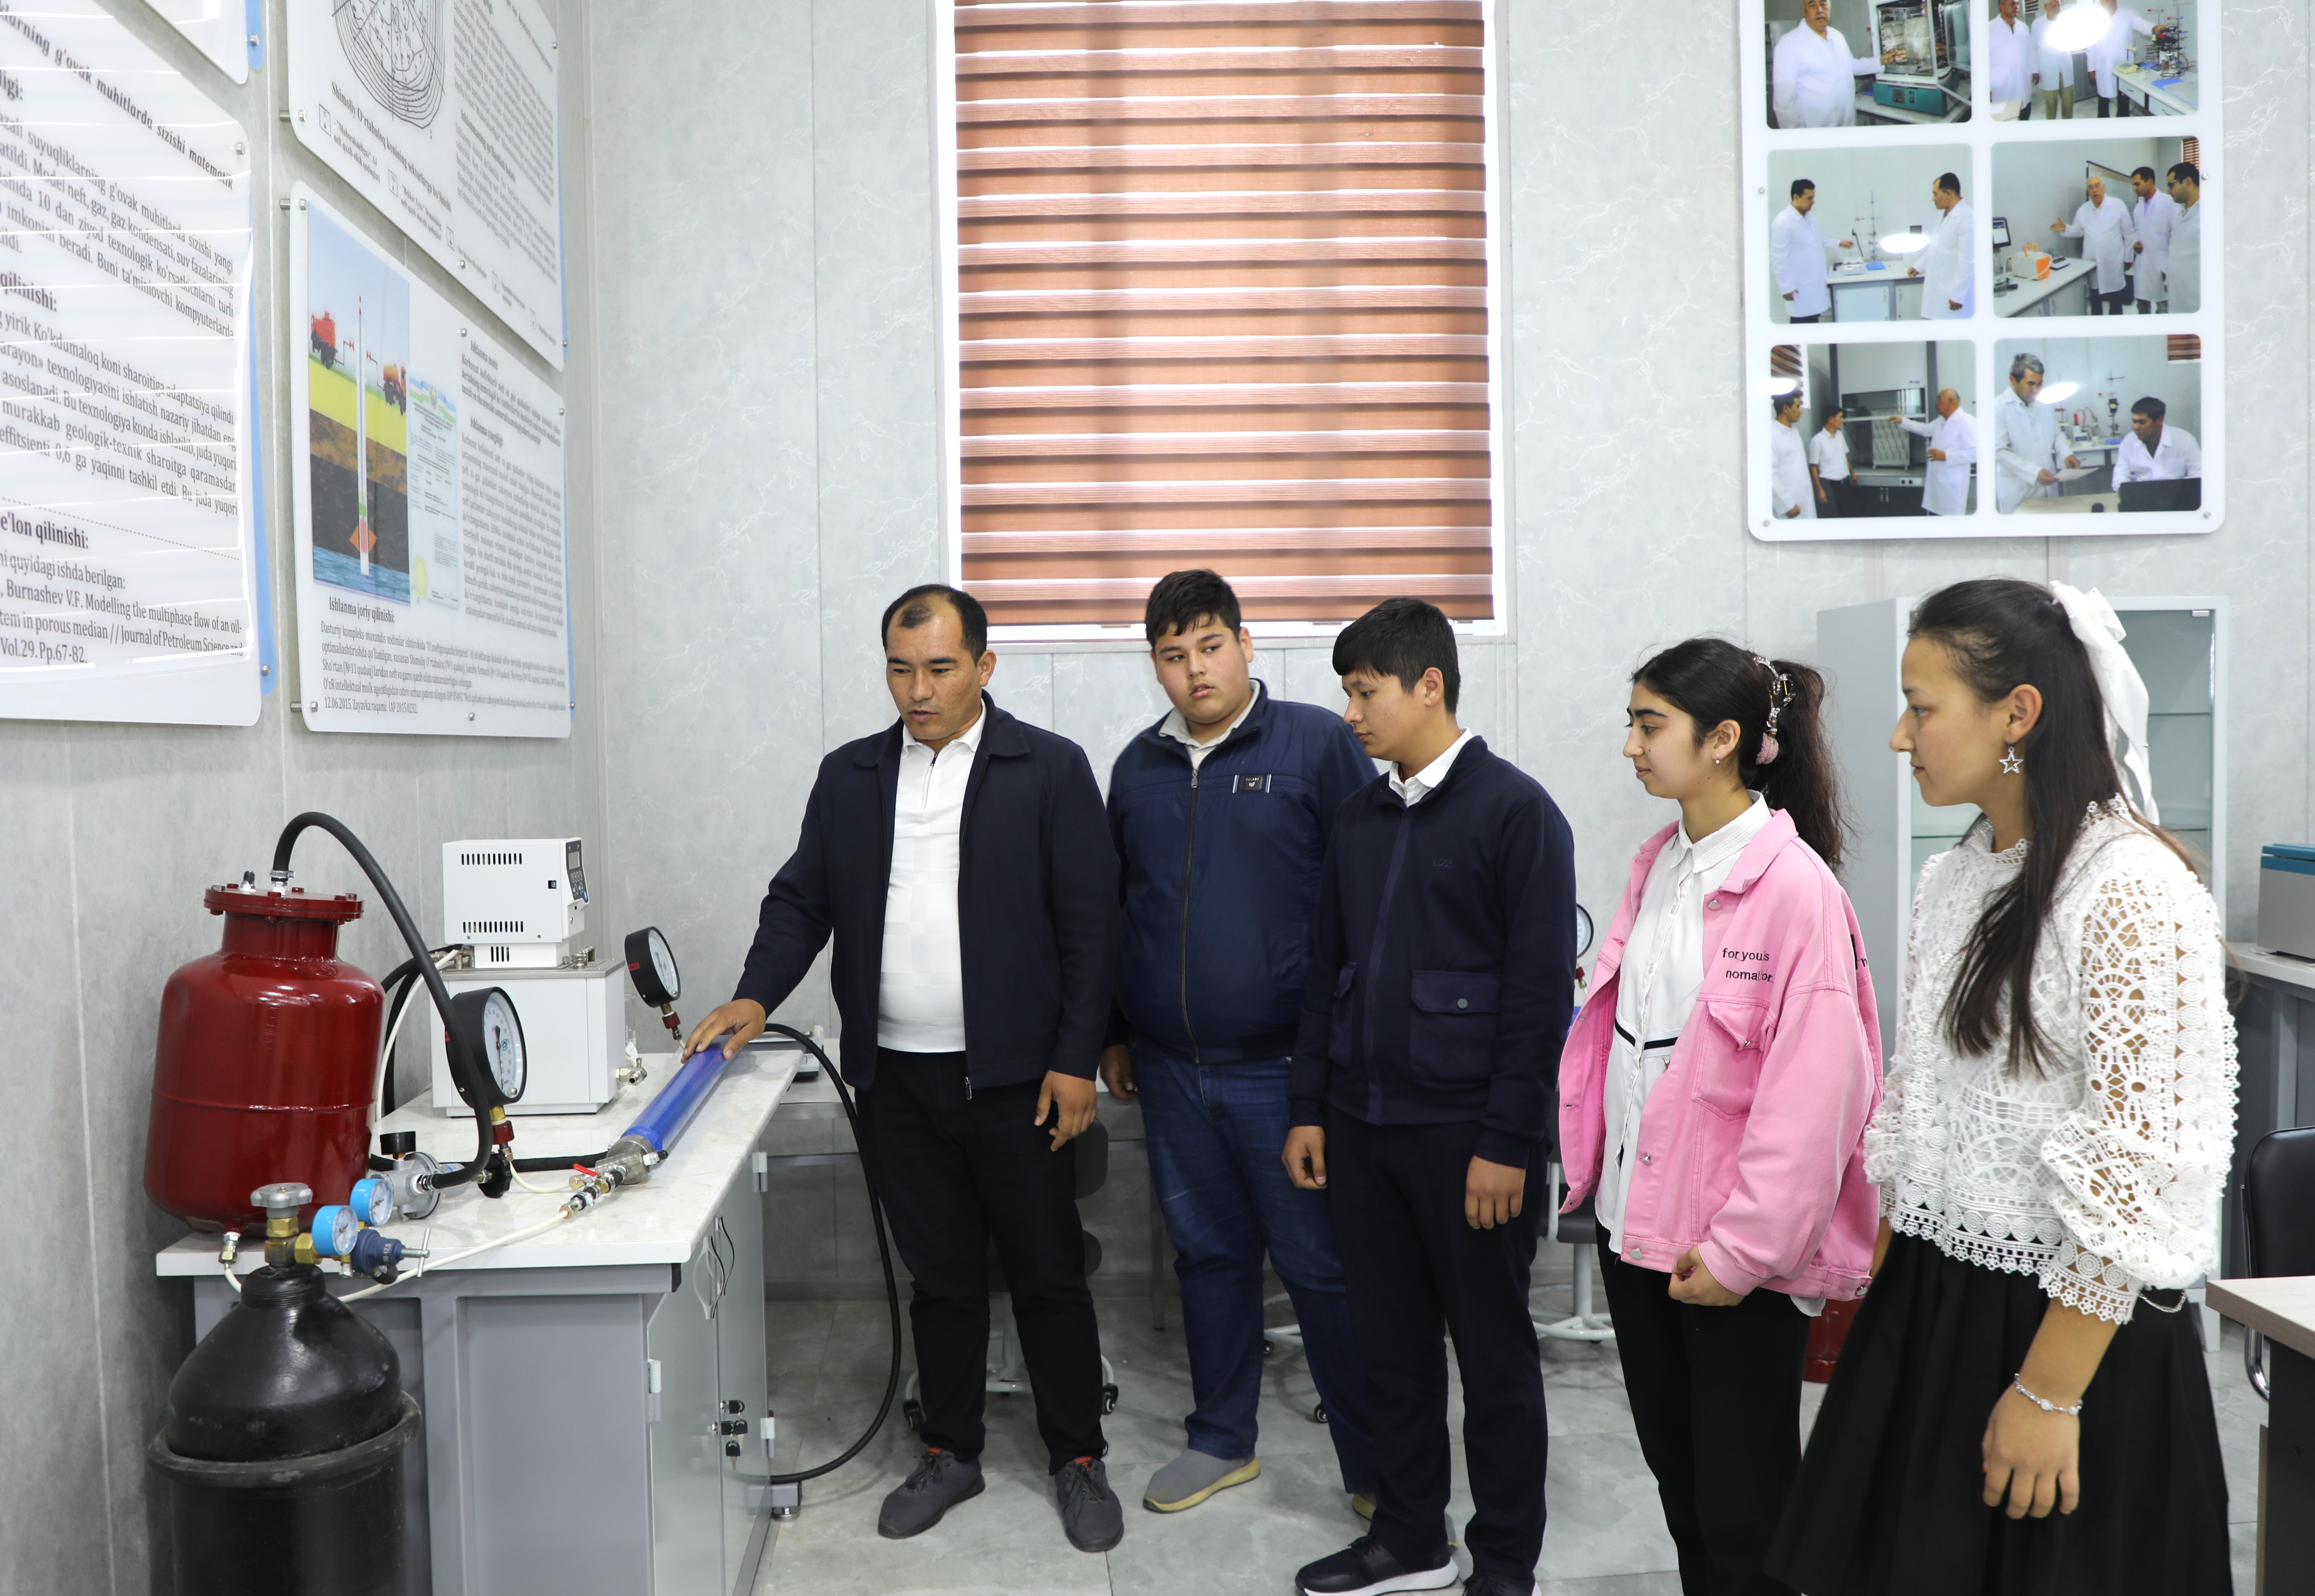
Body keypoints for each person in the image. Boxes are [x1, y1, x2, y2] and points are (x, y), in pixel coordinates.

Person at [1768, 578, 2236, 1596]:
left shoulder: (2133, 890)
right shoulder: (1955, 877)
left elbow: (2145, 1170)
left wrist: (2049, 1392)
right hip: (1932, 1303)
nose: (1900, 736)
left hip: (2066, 1330)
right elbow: (1922, 1114)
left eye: (1921, 707)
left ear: (2017, 712)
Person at [682, 584, 1128, 1554]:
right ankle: (951, 1450)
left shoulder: (1047, 769)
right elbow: (801, 901)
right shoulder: (851, 776)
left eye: (939, 668)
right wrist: (757, 994)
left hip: (1017, 1083)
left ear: (983, 666)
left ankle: (1077, 1455)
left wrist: (1073, 1062)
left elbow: (1093, 928)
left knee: (1048, 1274)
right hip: (896, 1081)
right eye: (899, 669)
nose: (918, 690)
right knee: (942, 1276)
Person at [1561, 640, 1881, 1596]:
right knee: (1683, 1490)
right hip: (1634, 1232)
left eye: (1649, 724)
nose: (1630, 745)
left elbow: (1815, 1099)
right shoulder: (1661, 863)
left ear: (1723, 740)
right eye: (1631, 722)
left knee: (1745, 1514)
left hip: (1727, 1257)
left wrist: (1742, 1253)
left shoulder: (1797, 892)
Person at [1283, 598, 1575, 1596]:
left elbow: (1538, 999)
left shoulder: (1516, 812)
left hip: (1468, 1143)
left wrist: (1507, 1141)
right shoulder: (1359, 819)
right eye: (1347, 693)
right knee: (1391, 1352)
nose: (1351, 714)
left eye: (1365, 692)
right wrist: (1308, 1106)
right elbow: (1324, 972)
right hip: (1362, 1132)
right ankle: (1410, 1538)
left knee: (1493, 1361)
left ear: (1430, 685)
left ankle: (1505, 1561)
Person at [1101, 569, 1380, 1520]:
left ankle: (1374, 1469)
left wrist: (1339, 1052)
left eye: (1210, 647)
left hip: (1284, 1069)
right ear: (1156, 666)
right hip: (1170, 1069)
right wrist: (1116, 1030)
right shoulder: (1136, 768)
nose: (1195, 670)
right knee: (1208, 1257)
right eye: (1173, 655)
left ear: (1245, 644)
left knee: (1319, 1268)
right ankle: (1222, 1440)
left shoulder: (1313, 744)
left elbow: (1367, 896)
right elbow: (1120, 911)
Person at [1772, 0, 1887, 128]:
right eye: (1812, 5)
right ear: (1804, 11)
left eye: (1824, 4)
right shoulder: (1788, 45)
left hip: (1846, 122)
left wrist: (1881, 61)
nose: (1820, 10)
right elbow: (1784, 105)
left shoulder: (1837, 36)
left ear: (1830, 7)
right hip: (1815, 130)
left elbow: (1850, 66)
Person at [1993, 354, 2082, 514]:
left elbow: (2056, 433)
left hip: (2048, 488)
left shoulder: (2043, 403)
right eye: (2031, 384)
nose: (2037, 390)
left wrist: (2067, 454)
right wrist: (2035, 473)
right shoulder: (1998, 408)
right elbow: (1999, 451)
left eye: (2040, 384)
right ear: (2013, 381)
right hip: (2018, 492)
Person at [2053, 175, 2138, 315]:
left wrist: (2128, 259)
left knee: (2116, 300)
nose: (2095, 190)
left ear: (2104, 187)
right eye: (2091, 188)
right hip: (2092, 263)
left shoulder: (2118, 205)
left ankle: (2117, 327)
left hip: (2113, 262)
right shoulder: (2083, 210)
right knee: (2095, 298)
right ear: (2088, 191)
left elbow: (2129, 234)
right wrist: (2066, 228)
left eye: (2098, 186)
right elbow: (2078, 231)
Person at [1772, 180, 1853, 324]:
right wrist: (1786, 287)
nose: (1814, 202)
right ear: (1796, 197)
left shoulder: (1810, 219)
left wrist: (1839, 243)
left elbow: (1817, 239)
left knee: (1813, 318)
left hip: (1813, 281)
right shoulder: (1783, 222)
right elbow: (1778, 257)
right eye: (1810, 198)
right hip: (1798, 286)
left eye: (1813, 197)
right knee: (1801, 323)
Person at [1893, 389, 1976, 516]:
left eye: (1940, 400)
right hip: (1937, 486)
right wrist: (1903, 422)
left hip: (1952, 490)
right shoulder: (1941, 421)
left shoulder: (1966, 421)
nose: (1936, 403)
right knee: (1936, 518)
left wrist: (1946, 456)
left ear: (1951, 401)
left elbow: (1976, 453)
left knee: (1950, 523)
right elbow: (1924, 429)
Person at [1908, 172, 1973, 319]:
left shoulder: (1967, 218)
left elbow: (1968, 262)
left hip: (1954, 297)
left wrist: (1958, 295)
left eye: (1935, 194)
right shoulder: (1944, 215)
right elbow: (1935, 247)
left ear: (1949, 194)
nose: (1933, 199)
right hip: (1940, 290)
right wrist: (1919, 266)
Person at [2087, 0, 2154, 116]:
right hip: (2103, 67)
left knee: (2123, 101)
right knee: (2103, 101)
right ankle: (2103, 125)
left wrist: (2154, 28)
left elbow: (2142, 25)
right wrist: (2091, 67)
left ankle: (2123, 125)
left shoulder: (2128, 15)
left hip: (2123, 67)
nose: (2111, 2)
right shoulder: (2094, 19)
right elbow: (2091, 45)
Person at [2115, 395, 2201, 482]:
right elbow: (2120, 475)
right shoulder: (2129, 442)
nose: (2136, 427)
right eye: (2134, 422)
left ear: (2160, 420)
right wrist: (2125, 488)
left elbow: (2199, 473)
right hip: (2141, 491)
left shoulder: (2185, 441)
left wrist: (2178, 488)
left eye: (2142, 422)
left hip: (2178, 491)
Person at [2127, 166, 2178, 312]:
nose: (2135, 189)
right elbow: (2137, 231)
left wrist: (2169, 266)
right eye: (2133, 185)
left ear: (2150, 182)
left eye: (2138, 184)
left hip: (2162, 265)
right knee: (2142, 306)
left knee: (2163, 308)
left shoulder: (2168, 202)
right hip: (2143, 265)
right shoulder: (2139, 207)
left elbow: (2176, 235)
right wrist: (2135, 243)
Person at [1770, 392, 1816, 522]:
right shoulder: (1770, 434)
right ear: (1786, 409)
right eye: (1798, 406)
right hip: (1789, 507)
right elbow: (1769, 474)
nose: (1801, 412)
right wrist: (1787, 504)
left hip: (1804, 500)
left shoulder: (1794, 432)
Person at [2030, 0, 2079, 119]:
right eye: (2054, 6)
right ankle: (2052, 127)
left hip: (2065, 66)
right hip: (2047, 68)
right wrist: (2035, 71)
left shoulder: (2065, 22)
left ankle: (2067, 126)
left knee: (2068, 101)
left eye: (2058, 6)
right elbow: (2033, 49)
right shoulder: (2038, 24)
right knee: (2051, 104)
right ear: (2046, 7)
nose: (2057, 8)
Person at [1985, 0, 2034, 114]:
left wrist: (2033, 71)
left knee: (2025, 117)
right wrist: (1987, 87)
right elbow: (1983, 62)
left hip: (2024, 86)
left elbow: (2030, 52)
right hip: (2003, 89)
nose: (2016, 7)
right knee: (2007, 121)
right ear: (2001, 6)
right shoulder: (1989, 29)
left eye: (2017, 4)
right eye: (2012, 4)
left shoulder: (2024, 27)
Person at [2165, 162, 2201, 312]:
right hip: (2177, 290)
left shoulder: (2210, 213)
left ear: (2188, 182)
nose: (2169, 191)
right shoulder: (2179, 213)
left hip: (2197, 295)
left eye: (2172, 185)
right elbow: (2176, 249)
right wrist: (2169, 278)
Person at [1808, 408, 1856, 518]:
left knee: (1848, 514)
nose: (1843, 420)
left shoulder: (1840, 435)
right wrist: (1819, 489)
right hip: (1829, 485)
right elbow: (1813, 467)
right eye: (1841, 417)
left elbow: (1844, 455)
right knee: (1833, 516)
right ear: (1831, 420)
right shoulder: (1817, 441)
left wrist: (1852, 473)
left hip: (1845, 482)